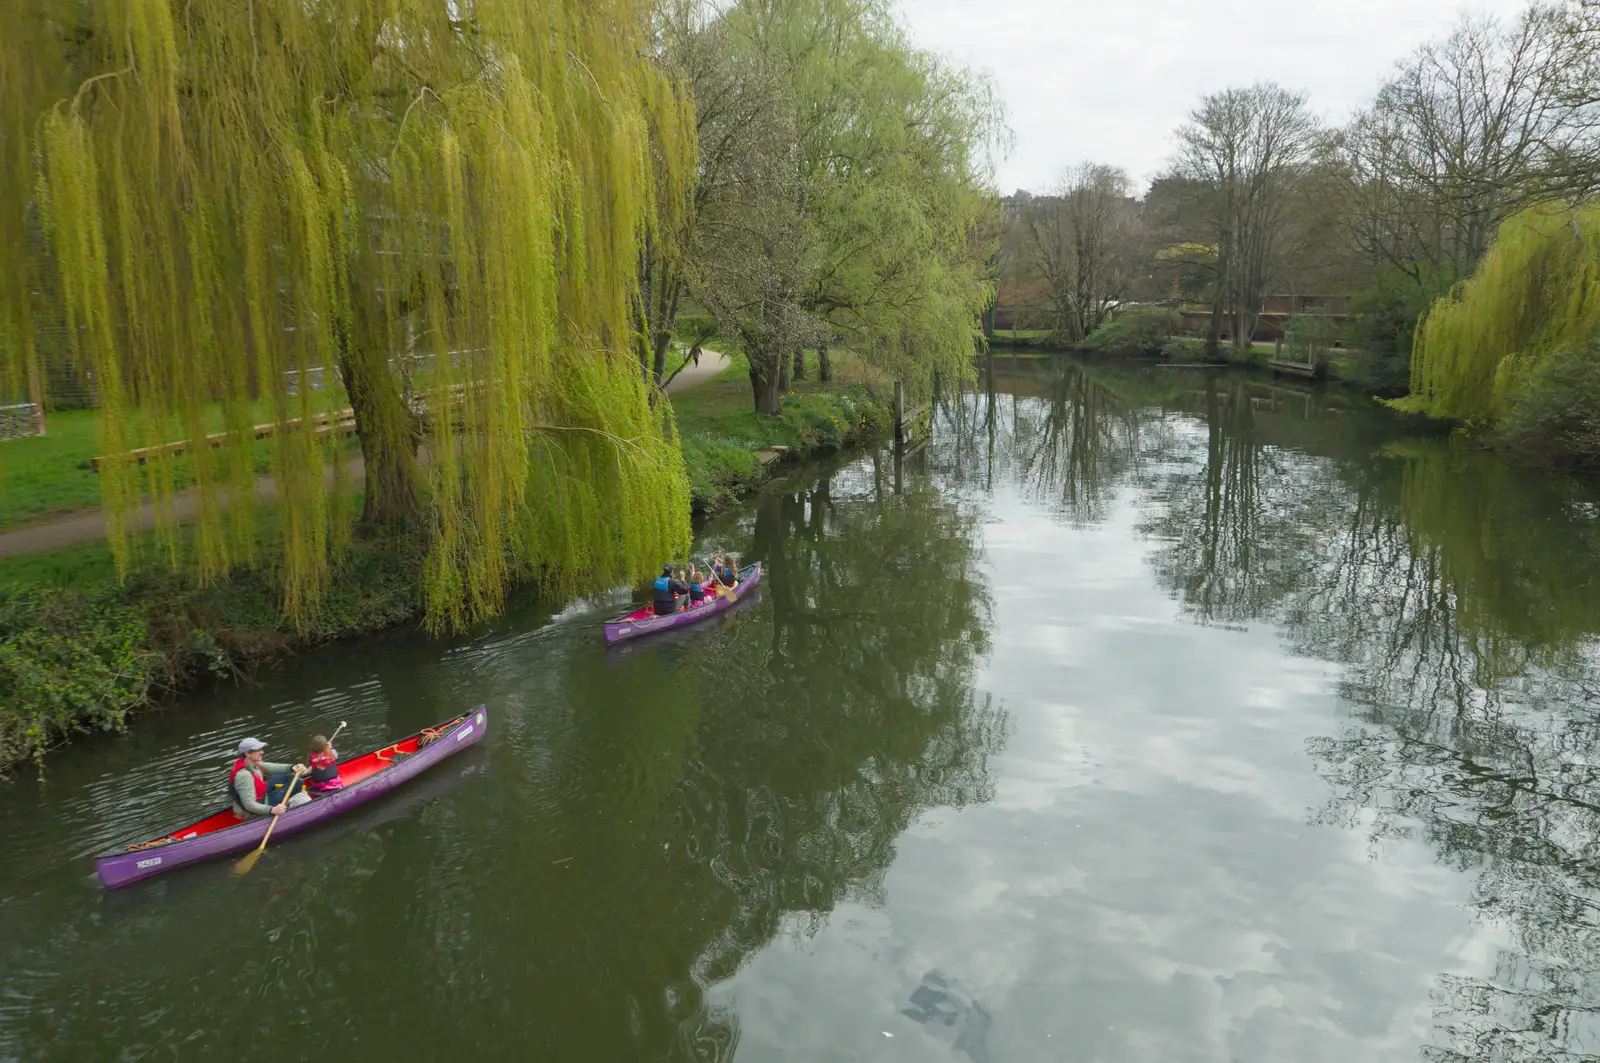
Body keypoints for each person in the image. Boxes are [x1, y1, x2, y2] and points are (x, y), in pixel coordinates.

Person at [229, 738, 309, 818]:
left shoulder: (252, 764)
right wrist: (272, 810)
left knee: (290, 775)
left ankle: (286, 802)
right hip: (254, 811)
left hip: (260, 796)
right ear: (247, 753)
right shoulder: (244, 775)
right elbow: (249, 805)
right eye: (258, 750)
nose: (262, 752)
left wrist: (292, 767)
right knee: (297, 781)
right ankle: (290, 807)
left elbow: (271, 767)